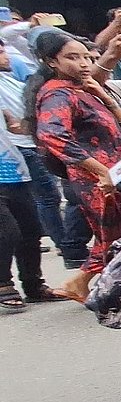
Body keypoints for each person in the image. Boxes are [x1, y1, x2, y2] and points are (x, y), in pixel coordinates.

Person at [33, 31, 121, 301]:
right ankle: (89, 282)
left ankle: (84, 282)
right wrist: (100, 171)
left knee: (117, 230)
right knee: (116, 232)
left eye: (87, 57)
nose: (84, 63)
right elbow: (52, 134)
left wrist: (101, 93)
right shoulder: (56, 95)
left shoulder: (82, 90)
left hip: (117, 172)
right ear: (52, 61)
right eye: (73, 58)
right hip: (97, 179)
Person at [0, 37, 64, 251]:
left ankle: (34, 279)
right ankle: (65, 243)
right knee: (46, 197)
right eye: (1, 53)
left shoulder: (8, 80)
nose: (6, 56)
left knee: (35, 209)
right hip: (16, 152)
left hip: (24, 148)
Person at [0, 125, 69, 310]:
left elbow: (14, 124)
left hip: (13, 171)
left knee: (30, 229)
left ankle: (33, 284)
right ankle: (3, 283)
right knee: (7, 231)